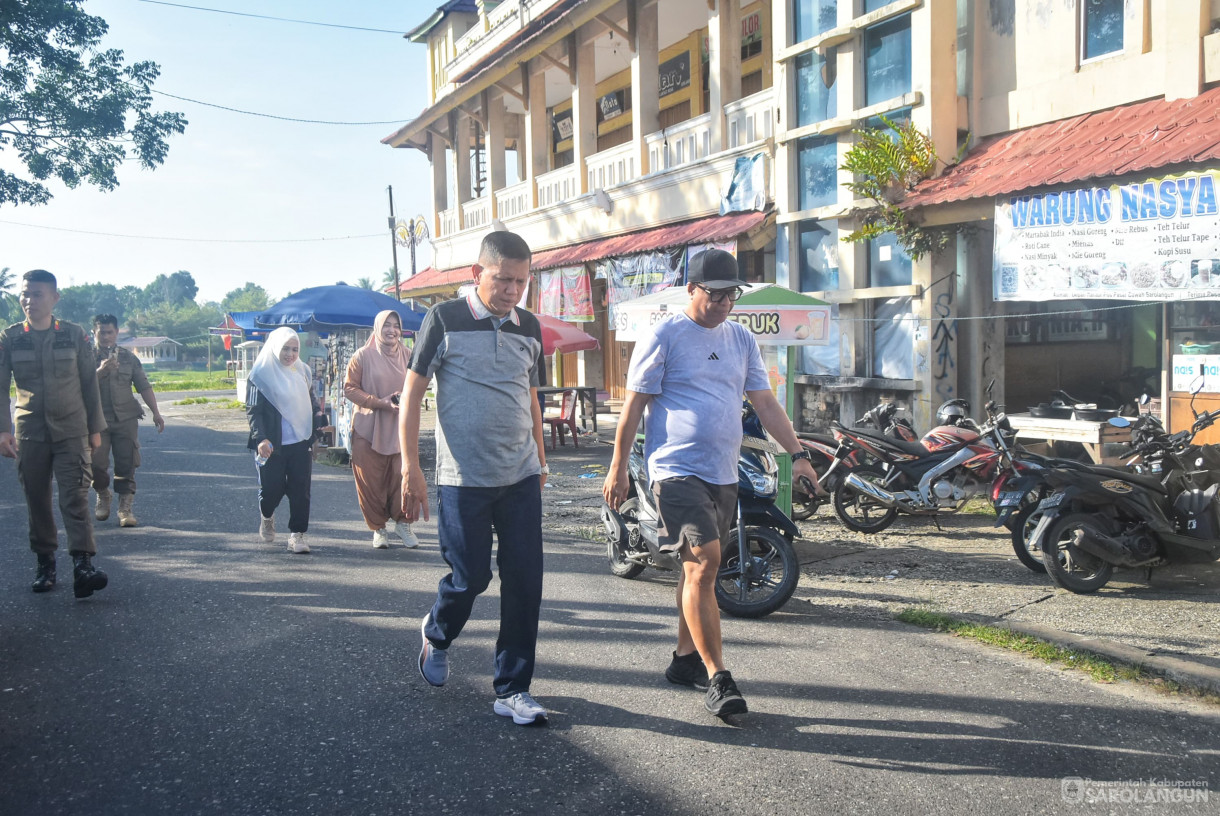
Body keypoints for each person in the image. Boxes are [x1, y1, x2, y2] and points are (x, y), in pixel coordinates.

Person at [602, 249, 822, 718]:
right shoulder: (664, 335)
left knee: (693, 572)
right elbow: (634, 406)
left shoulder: (741, 339)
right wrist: (618, 466)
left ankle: (684, 661)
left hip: (723, 473)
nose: (724, 302)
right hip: (675, 470)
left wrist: (798, 456)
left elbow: (764, 403)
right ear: (692, 289)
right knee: (707, 562)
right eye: (715, 293)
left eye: (731, 294)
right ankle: (718, 676)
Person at [399, 230, 550, 726]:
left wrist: (542, 458)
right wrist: (411, 468)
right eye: (502, 279)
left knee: (525, 582)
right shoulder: (444, 319)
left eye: (521, 282)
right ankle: (438, 633)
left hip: (521, 474)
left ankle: (512, 688)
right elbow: (412, 393)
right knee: (471, 578)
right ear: (476, 273)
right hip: (462, 477)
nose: (511, 290)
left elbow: (530, 396)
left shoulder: (529, 326)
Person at [0, 269, 109, 598]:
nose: (28, 301)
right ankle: (45, 563)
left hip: (72, 429)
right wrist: (4, 430)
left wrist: (95, 429)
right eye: (25, 294)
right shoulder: (10, 337)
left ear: (54, 298)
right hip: (30, 431)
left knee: (75, 496)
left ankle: (82, 565)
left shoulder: (74, 335)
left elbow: (90, 383)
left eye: (37, 294)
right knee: (37, 499)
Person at [246, 326, 327, 554]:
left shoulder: (301, 371)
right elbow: (254, 411)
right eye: (285, 348)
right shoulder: (259, 376)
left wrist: (317, 425)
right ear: (274, 347)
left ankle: (298, 534)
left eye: (294, 349)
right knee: (272, 489)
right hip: (272, 445)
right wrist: (261, 439)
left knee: (301, 489)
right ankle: (267, 515)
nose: (290, 354)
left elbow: (311, 402)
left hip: (300, 442)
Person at [343, 310, 420, 549]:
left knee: (403, 477)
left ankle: (403, 524)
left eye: (396, 326)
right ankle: (378, 529)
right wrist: (379, 402)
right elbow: (349, 389)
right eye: (386, 325)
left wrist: (404, 399)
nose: (392, 330)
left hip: (400, 429)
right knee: (371, 482)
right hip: (368, 429)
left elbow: (419, 387)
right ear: (377, 328)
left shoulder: (410, 355)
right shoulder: (362, 356)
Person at [91, 313, 165, 527]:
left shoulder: (128, 358)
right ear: (94, 332)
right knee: (96, 465)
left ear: (116, 332)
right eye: (101, 332)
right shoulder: (84, 357)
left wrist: (156, 412)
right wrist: (100, 371)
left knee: (126, 464)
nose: (105, 336)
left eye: (109, 332)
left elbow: (143, 386)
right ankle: (103, 494)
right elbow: (78, 386)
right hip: (96, 421)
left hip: (125, 419)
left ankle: (125, 509)